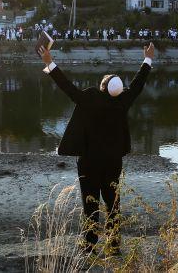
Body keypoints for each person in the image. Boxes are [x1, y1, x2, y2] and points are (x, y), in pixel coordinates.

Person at [38, 42, 155, 254]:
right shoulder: (123, 101)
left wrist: (50, 63)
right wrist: (147, 60)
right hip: (112, 162)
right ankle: (114, 246)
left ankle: (90, 246)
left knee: (90, 205)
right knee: (113, 205)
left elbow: (67, 87)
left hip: (89, 162)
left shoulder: (90, 99)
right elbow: (138, 84)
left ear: (102, 87)